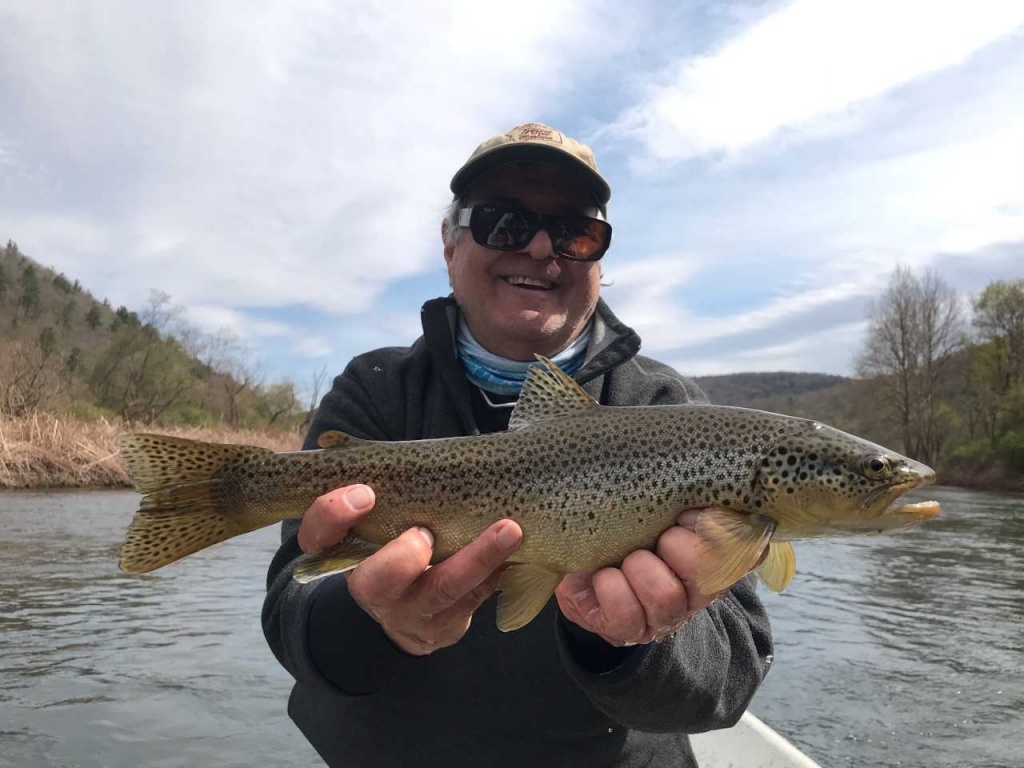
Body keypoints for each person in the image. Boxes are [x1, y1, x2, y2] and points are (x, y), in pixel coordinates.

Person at [262, 122, 773, 768]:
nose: (538, 248)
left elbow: (730, 677)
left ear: (599, 260)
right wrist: (369, 618)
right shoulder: (376, 389)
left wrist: (625, 643)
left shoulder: (672, 412)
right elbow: (292, 612)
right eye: (503, 222)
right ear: (449, 243)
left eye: (574, 232)